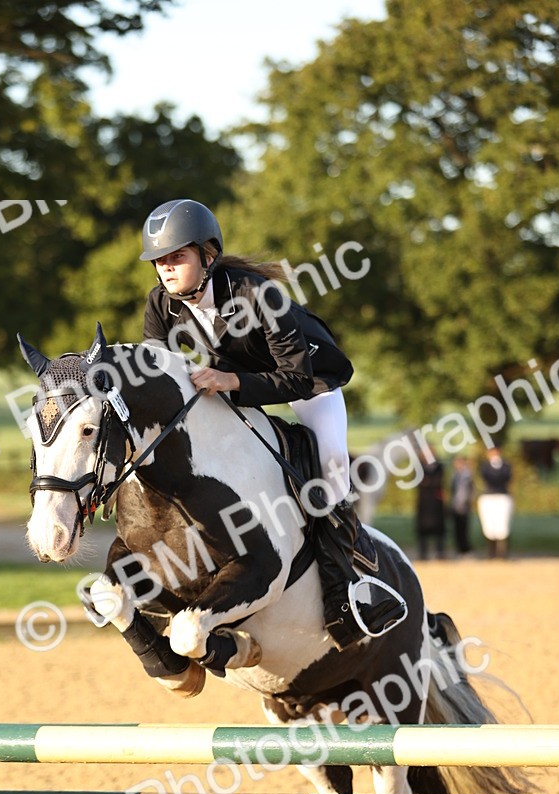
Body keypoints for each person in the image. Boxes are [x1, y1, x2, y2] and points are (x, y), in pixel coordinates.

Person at [138, 197, 407, 651]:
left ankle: (350, 588)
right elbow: (158, 370)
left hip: (307, 386)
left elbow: (296, 376)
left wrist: (229, 380)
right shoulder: (161, 304)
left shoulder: (258, 294)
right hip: (235, 387)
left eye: (176, 257)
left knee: (333, 467)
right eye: (160, 261)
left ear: (207, 254)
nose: (166, 268)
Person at [477, 446, 513, 558]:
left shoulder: (506, 466)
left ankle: (502, 553)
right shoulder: (485, 466)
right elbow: (487, 478)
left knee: (502, 524)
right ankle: (491, 553)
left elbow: (506, 478)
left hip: (502, 495)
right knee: (489, 525)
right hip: (488, 495)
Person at [414, 449, 446, 560]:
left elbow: (437, 481)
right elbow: (418, 482)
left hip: (436, 502)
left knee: (439, 529)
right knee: (423, 529)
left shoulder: (439, 467)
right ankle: (423, 552)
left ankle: (440, 552)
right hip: (424, 503)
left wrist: (427, 482)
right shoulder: (419, 468)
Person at [449, 455, 474, 557]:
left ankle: (465, 549)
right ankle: (459, 549)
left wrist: (467, 502)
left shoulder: (467, 475)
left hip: (464, 506)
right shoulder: (454, 475)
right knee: (457, 529)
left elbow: (470, 491)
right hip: (455, 505)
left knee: (464, 529)